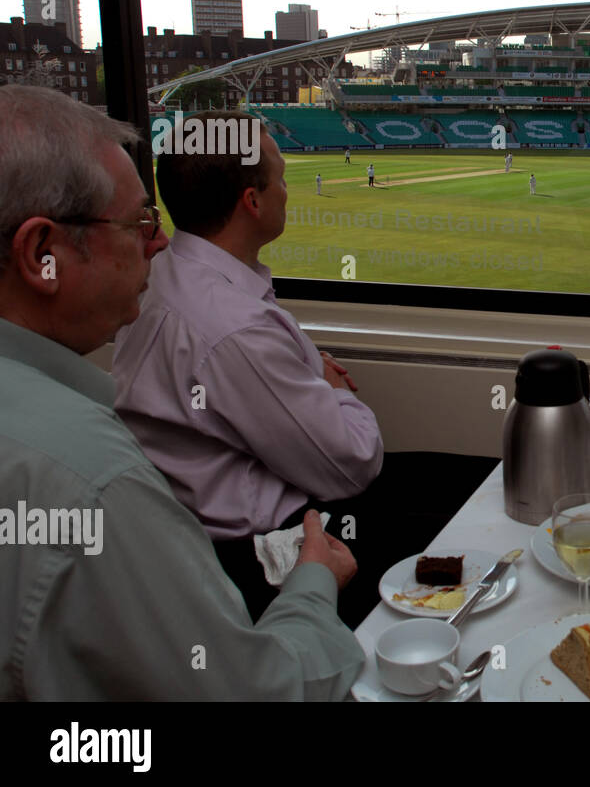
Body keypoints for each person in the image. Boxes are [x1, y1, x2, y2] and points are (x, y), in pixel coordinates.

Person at [0, 86, 362, 699]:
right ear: (43, 254)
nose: (160, 245)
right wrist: (313, 583)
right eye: (140, 223)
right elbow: (252, 692)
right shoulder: (95, 479)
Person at [112, 110, 388, 626]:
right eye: (280, 179)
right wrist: (335, 390)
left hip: (207, 529)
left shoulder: (165, 274)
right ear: (253, 201)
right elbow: (352, 464)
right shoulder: (232, 326)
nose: (288, 190)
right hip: (259, 555)